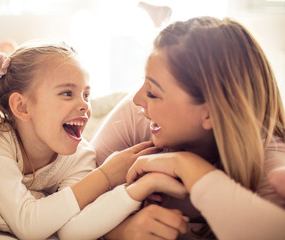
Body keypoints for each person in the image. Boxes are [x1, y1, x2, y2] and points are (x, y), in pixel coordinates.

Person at [0, 41, 181, 240]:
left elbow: (72, 232)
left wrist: (138, 189)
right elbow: (28, 226)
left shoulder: (80, 154)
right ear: (22, 107)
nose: (84, 105)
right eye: (67, 93)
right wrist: (106, 175)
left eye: (86, 94)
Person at [91, 16, 285, 239]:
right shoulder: (137, 116)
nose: (137, 99)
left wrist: (185, 165)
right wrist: (119, 232)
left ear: (211, 113)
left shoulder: (269, 160)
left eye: (153, 93)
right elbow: (69, 202)